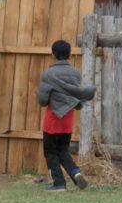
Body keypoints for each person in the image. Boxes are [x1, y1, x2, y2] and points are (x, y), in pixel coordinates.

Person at [36, 39, 96, 192]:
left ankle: (58, 183)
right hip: (67, 119)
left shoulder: (48, 74)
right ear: (69, 54)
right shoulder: (75, 73)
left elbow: (43, 100)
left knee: (50, 152)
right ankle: (75, 173)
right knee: (63, 150)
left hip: (53, 119)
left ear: (53, 54)